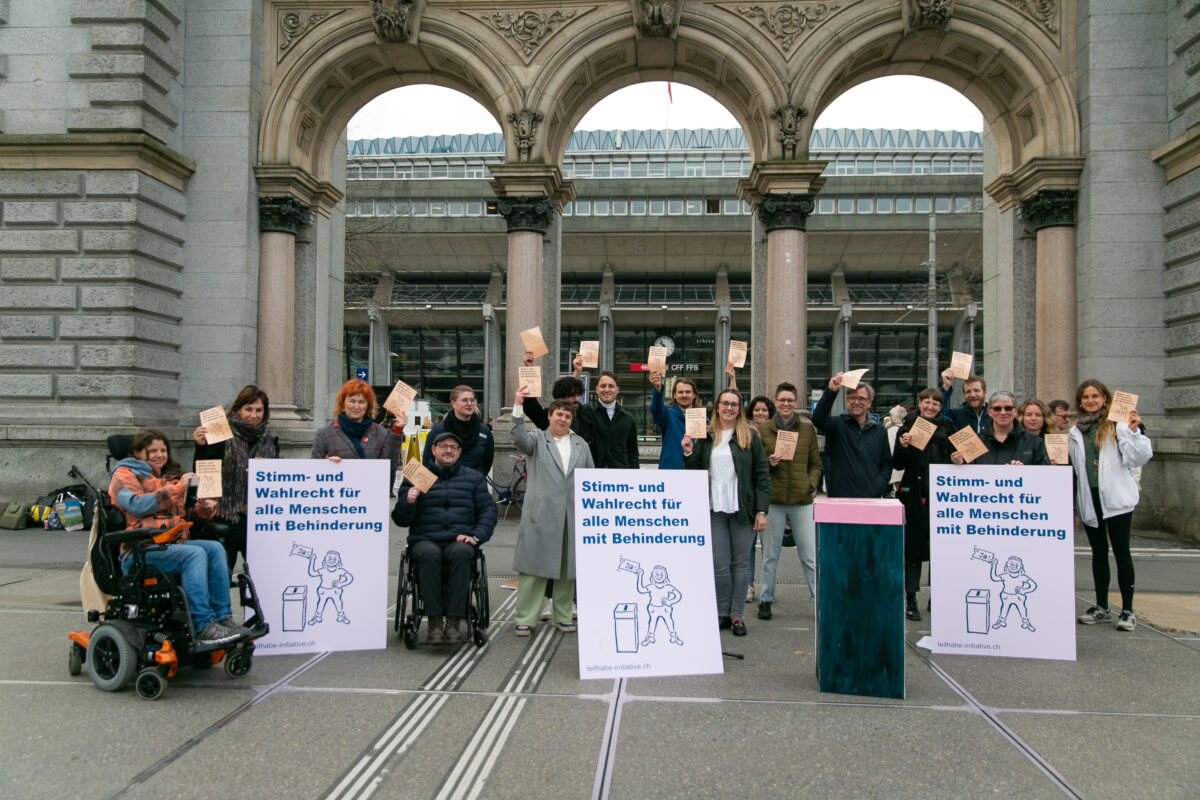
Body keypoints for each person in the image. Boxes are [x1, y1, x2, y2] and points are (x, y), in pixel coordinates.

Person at [108, 428, 243, 646]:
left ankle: (223, 618)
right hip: (140, 550)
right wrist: (177, 489)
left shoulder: (168, 476)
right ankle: (202, 625)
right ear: (137, 452)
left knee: (215, 549)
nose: (159, 455)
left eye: (163, 450)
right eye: (152, 451)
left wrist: (204, 509)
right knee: (195, 554)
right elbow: (138, 505)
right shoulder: (123, 475)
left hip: (171, 545)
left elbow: (183, 514)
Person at [392, 431, 497, 643]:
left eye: (453, 448)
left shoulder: (473, 478)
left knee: (461, 553)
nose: (448, 451)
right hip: (425, 538)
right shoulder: (416, 474)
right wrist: (408, 501)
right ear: (433, 450)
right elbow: (400, 519)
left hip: (460, 538)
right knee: (429, 554)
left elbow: (488, 511)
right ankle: (434, 622)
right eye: (443, 446)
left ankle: (453, 621)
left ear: (459, 453)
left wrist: (476, 536)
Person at [682, 389, 770, 636]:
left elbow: (762, 476)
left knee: (740, 565)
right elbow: (694, 473)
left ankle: (737, 615)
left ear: (739, 409)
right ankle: (721, 613)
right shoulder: (707, 436)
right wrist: (688, 451)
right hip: (713, 508)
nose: (729, 408)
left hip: (743, 508)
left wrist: (761, 511)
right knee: (720, 565)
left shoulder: (750, 436)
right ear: (717, 407)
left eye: (734, 404)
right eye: (725, 404)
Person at [1068, 379, 1152, 632]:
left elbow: (1137, 457)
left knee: (1121, 552)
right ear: (1080, 402)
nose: (1090, 401)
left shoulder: (1119, 424)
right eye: (1085, 397)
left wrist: (1135, 431)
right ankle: (1101, 606)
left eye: (1095, 396)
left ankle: (1127, 610)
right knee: (1098, 552)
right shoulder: (1076, 431)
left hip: (1115, 499)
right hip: (1090, 497)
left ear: (1105, 398)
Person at [510, 387, 595, 635]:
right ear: (549, 416)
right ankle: (525, 618)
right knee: (532, 570)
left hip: (572, 515)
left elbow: (589, 479)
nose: (563, 419)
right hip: (542, 514)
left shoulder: (581, 444)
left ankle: (563, 614)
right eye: (558, 414)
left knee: (567, 571)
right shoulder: (536, 439)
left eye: (567, 416)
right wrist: (517, 406)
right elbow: (516, 436)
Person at [192, 384, 279, 569]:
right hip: (225, 517)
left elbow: (277, 484)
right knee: (223, 573)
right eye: (248, 409)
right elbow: (205, 473)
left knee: (259, 577)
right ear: (238, 409)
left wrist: (265, 473)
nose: (253, 415)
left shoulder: (270, 442)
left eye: (259, 410)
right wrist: (201, 446)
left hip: (257, 520)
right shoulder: (219, 434)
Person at [755, 382, 821, 620]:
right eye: (781, 400)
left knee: (809, 555)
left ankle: (818, 599)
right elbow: (756, 466)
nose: (785, 404)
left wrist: (810, 484)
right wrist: (768, 462)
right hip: (773, 500)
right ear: (775, 402)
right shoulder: (763, 430)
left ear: (796, 403)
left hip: (801, 500)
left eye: (790, 400)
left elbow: (815, 463)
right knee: (769, 555)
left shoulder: (807, 430)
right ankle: (765, 598)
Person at [891, 388, 956, 621]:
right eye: (926, 402)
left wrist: (958, 458)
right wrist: (904, 446)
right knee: (913, 549)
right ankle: (912, 598)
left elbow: (959, 460)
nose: (930, 407)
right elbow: (897, 464)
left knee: (940, 549)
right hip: (913, 493)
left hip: (942, 496)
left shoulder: (948, 429)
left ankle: (937, 597)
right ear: (919, 403)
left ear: (941, 407)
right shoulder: (906, 427)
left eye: (935, 404)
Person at [812, 374, 892, 498]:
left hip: (870, 497)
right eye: (852, 398)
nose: (856, 402)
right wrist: (831, 391)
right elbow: (817, 419)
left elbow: (886, 464)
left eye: (861, 398)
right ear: (847, 401)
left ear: (869, 402)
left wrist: (879, 486)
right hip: (840, 496)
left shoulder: (879, 430)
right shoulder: (836, 425)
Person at [312, 380, 406, 477]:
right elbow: (313, 473)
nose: (356, 407)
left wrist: (397, 431)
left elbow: (389, 470)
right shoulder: (324, 434)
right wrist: (325, 465)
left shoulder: (381, 433)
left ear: (368, 405)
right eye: (352, 401)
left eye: (361, 402)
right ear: (343, 403)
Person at [951, 391, 1049, 466]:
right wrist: (959, 463)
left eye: (1008, 408)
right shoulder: (975, 441)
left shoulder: (1035, 442)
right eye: (997, 409)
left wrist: (1025, 473)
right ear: (989, 412)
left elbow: (1045, 477)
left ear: (1015, 411)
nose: (1003, 412)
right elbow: (965, 479)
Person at [743, 393, 775, 602]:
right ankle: (748, 584)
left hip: (772, 492)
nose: (760, 413)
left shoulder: (776, 432)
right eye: (757, 409)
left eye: (764, 410)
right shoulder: (745, 431)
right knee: (748, 545)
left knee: (769, 547)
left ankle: (767, 588)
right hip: (750, 493)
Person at [423, 385, 493, 477]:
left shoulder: (484, 431)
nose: (469, 404)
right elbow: (427, 461)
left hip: (474, 486)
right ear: (453, 404)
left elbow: (487, 462)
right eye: (464, 400)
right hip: (446, 485)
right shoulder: (438, 430)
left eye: (472, 400)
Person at [577, 370, 640, 468]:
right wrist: (577, 372)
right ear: (597, 389)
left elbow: (633, 454)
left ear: (617, 390)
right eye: (603, 386)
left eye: (611, 386)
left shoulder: (628, 419)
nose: (607, 390)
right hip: (592, 474)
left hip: (620, 477)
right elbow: (566, 402)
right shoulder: (586, 412)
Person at [649, 373, 698, 469]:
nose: (684, 395)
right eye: (680, 392)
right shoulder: (668, 415)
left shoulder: (704, 420)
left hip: (695, 473)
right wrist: (658, 389)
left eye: (687, 392)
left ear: (694, 395)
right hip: (670, 472)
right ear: (674, 395)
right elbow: (656, 410)